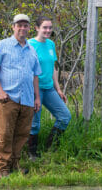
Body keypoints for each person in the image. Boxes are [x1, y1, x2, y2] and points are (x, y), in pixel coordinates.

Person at [0, 13, 41, 178]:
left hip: (27, 99)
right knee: (5, 134)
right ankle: (3, 168)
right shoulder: (2, 46)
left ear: (29, 28)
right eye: (19, 25)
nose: (22, 28)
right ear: (13, 27)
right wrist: (0, 91)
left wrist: (37, 98)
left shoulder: (32, 50)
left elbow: (35, 75)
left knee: (22, 134)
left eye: (25, 25)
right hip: (8, 97)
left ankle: (15, 164)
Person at [27, 16, 71, 161]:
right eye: (45, 27)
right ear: (37, 28)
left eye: (50, 28)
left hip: (49, 88)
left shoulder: (51, 44)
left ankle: (51, 147)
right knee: (35, 123)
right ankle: (32, 153)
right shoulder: (29, 45)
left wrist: (58, 89)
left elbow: (53, 68)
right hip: (35, 89)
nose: (48, 30)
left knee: (65, 116)